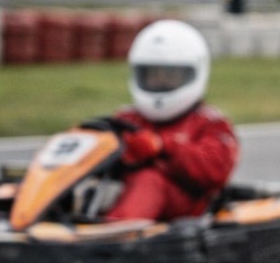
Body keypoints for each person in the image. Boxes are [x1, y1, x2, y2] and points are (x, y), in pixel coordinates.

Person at [102, 19, 239, 224]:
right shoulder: (126, 119)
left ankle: (114, 233)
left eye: (170, 75)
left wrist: (162, 146)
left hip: (184, 206)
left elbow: (214, 172)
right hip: (125, 196)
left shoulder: (210, 123)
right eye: (152, 75)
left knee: (149, 179)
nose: (160, 81)